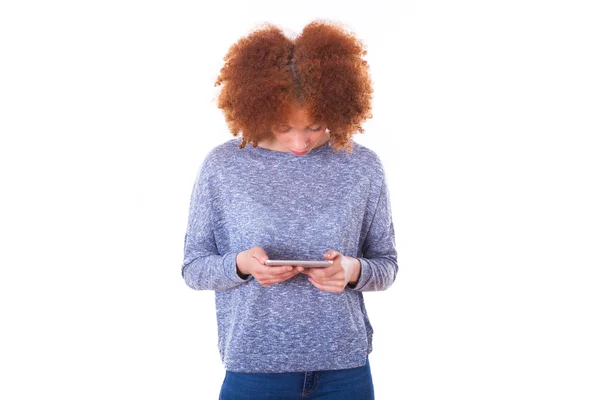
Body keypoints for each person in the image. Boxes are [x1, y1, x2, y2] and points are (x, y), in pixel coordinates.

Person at [181, 19, 398, 399]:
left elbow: (387, 265)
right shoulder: (223, 166)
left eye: (315, 126)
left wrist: (352, 270)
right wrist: (241, 266)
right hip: (254, 368)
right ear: (259, 110)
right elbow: (193, 267)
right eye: (284, 127)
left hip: (344, 368)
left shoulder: (362, 166)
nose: (300, 142)